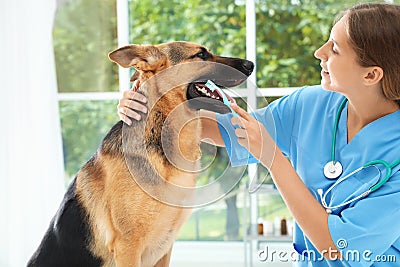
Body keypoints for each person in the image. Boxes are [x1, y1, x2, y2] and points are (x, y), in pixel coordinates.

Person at [117, 3, 400, 266]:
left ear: (371, 75)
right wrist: (151, 103)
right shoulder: (310, 105)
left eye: (335, 49)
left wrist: (273, 158)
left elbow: (337, 248)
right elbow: (221, 130)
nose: (319, 52)